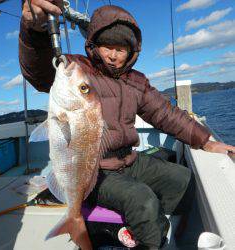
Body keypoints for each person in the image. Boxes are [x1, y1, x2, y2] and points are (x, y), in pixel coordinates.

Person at [20, 1, 235, 249]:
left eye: (121, 49)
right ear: (93, 45)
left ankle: (167, 231)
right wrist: (33, 31)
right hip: (95, 169)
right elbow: (38, 71)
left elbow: (165, 113)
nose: (113, 55)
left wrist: (205, 141)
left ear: (132, 51)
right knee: (141, 200)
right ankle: (148, 242)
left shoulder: (137, 81)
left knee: (182, 179)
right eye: (106, 46)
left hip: (130, 159)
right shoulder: (78, 69)